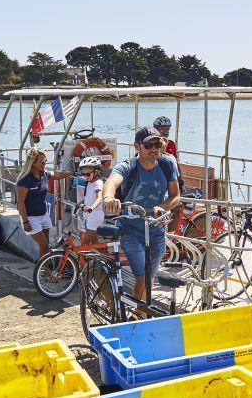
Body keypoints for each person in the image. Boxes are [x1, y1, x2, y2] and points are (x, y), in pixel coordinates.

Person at [103, 127, 181, 300]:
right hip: (131, 230)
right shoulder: (127, 167)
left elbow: (176, 196)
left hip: (156, 230)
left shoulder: (167, 165)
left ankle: (141, 312)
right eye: (148, 145)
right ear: (137, 146)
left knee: (149, 277)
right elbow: (111, 182)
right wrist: (109, 198)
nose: (154, 148)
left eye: (157, 144)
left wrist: (163, 206)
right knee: (142, 276)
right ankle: (139, 315)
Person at [15, 147, 72, 258]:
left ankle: (45, 270)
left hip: (43, 215)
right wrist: (26, 222)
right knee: (44, 244)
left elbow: (58, 175)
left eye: (45, 160)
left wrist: (72, 173)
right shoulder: (25, 180)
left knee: (46, 246)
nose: (44, 163)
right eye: (42, 162)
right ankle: (44, 271)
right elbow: (20, 203)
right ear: (33, 163)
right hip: (31, 218)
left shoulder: (44, 174)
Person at [77, 155, 106, 245]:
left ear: (96, 171)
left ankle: (81, 259)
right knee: (95, 244)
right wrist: (80, 204)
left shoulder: (98, 183)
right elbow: (88, 198)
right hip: (90, 217)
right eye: (83, 174)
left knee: (84, 245)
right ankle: (106, 257)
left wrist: (92, 207)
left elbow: (100, 197)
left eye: (88, 174)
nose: (85, 176)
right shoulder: (90, 182)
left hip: (95, 218)